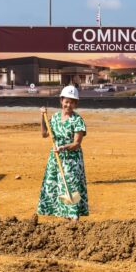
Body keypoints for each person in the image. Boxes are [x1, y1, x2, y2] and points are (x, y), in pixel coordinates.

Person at [37, 85, 89, 220]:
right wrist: (42, 117)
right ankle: (64, 217)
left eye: (72, 102)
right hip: (55, 158)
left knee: (70, 187)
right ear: (61, 101)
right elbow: (44, 134)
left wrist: (63, 147)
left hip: (71, 160)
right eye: (66, 101)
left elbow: (77, 143)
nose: (69, 105)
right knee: (54, 185)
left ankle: (74, 218)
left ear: (76, 104)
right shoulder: (54, 118)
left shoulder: (77, 120)